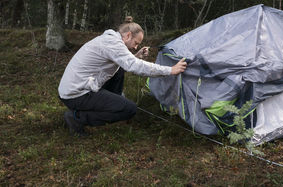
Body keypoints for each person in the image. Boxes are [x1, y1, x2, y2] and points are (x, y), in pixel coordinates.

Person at [58, 17, 187, 136]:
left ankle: (115, 104)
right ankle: (76, 118)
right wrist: (170, 70)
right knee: (129, 109)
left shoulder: (111, 40)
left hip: (77, 86)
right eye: (136, 43)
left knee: (119, 70)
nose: (136, 46)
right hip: (76, 94)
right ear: (128, 35)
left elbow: (125, 62)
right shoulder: (113, 44)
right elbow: (135, 66)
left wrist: (136, 56)